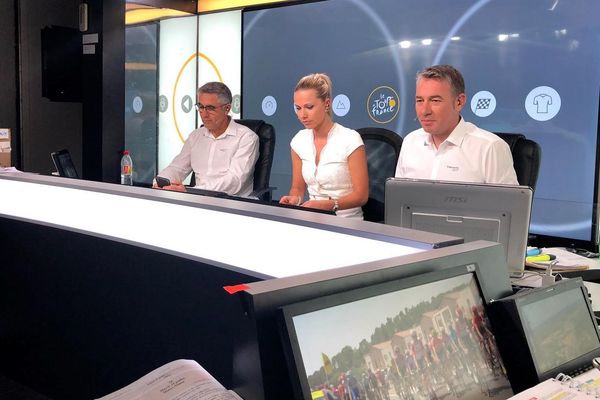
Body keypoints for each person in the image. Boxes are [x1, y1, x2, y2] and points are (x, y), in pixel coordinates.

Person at [395, 65, 518, 184]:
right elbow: (399, 200)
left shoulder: (490, 148)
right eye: (420, 101)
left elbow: (509, 205)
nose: (424, 111)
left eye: (435, 100)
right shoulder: (410, 142)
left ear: (459, 102)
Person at [280, 73, 368, 218]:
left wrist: (330, 205)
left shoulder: (350, 139)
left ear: (327, 104)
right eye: (298, 108)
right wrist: (294, 199)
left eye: (309, 107)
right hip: (313, 217)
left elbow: (361, 196)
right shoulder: (298, 141)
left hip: (347, 221)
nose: (302, 115)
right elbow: (297, 189)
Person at [154, 81, 259, 196]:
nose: (204, 114)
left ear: (227, 108)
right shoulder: (196, 136)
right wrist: (160, 182)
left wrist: (194, 191)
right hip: (197, 201)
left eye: (210, 108)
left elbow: (234, 181)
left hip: (232, 204)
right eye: (200, 107)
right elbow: (177, 168)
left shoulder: (247, 138)